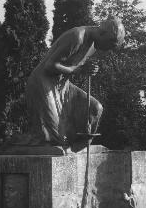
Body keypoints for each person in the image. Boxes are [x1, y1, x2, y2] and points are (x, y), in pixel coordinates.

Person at [13, 16, 125, 151]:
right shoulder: (77, 36)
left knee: (95, 108)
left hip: (63, 84)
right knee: (55, 138)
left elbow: (77, 66)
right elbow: (50, 65)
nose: (105, 50)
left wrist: (90, 69)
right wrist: (77, 70)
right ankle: (17, 144)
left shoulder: (93, 45)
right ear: (102, 33)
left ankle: (79, 146)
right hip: (43, 83)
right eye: (106, 45)